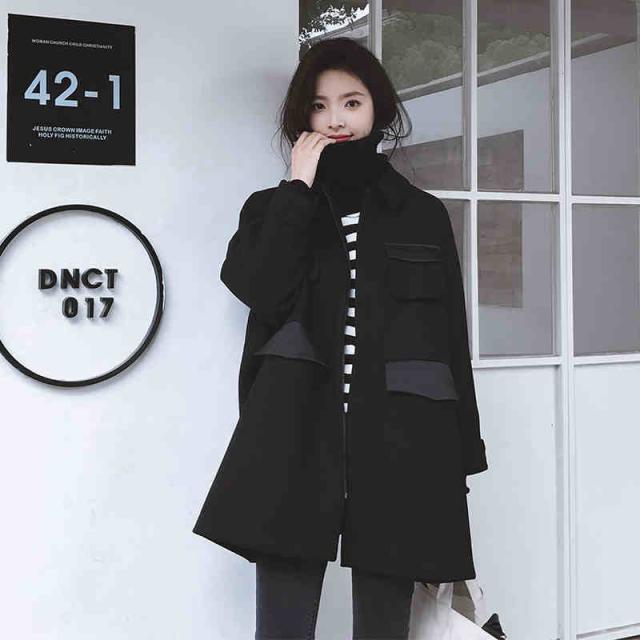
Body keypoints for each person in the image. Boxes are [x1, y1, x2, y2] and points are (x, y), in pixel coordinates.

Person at [193, 37, 489, 640]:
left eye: (351, 102)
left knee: (384, 628)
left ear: (378, 109)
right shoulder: (271, 209)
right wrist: (298, 190)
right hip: (292, 435)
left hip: (404, 441)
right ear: (301, 116)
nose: (336, 119)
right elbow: (258, 288)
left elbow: (449, 338)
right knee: (282, 627)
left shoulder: (422, 214)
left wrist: (461, 455)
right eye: (320, 105)